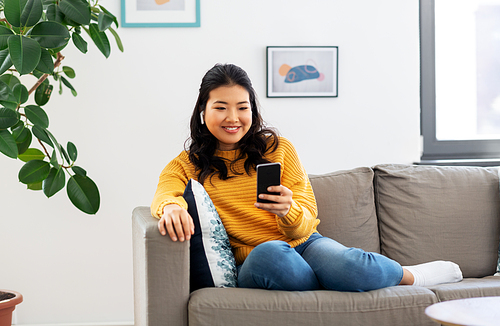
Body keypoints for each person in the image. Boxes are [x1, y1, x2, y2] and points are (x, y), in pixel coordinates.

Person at [151, 63, 463, 291]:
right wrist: (173, 207)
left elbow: (307, 219)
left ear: (252, 111)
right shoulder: (189, 163)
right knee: (270, 255)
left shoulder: (278, 149)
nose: (233, 118)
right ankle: (329, 281)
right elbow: (165, 190)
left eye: (242, 107)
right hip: (256, 260)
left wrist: (287, 210)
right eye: (221, 108)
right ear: (203, 113)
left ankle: (409, 275)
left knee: (352, 265)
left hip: (304, 243)